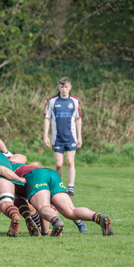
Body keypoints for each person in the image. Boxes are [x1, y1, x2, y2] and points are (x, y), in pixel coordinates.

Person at [14, 162, 113, 237]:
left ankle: (56, 221)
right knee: (71, 211)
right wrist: (44, 233)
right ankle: (99, 217)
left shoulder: (6, 169)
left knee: (43, 207)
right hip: (52, 173)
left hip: (36, 175)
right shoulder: (15, 162)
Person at [43, 76, 88, 233]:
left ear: (70, 87)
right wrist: (45, 135)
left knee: (70, 162)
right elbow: (47, 118)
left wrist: (80, 137)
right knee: (58, 164)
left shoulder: (74, 101)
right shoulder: (52, 101)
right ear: (59, 87)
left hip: (71, 138)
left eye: (66, 86)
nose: (64, 89)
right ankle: (58, 187)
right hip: (57, 139)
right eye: (61, 86)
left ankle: (70, 189)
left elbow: (78, 119)